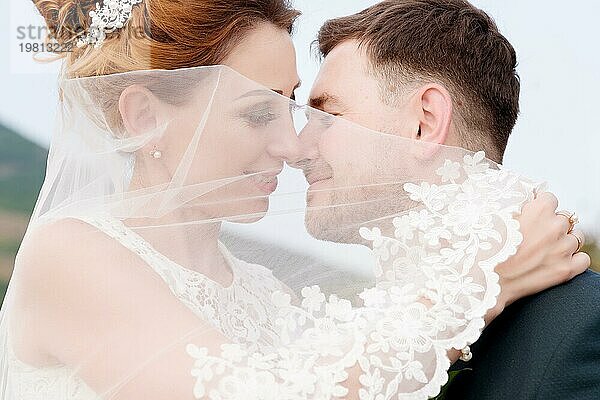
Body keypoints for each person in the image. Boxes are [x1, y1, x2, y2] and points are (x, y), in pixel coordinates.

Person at [0, 1, 590, 399]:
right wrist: (480, 282)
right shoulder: (72, 254)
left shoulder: (267, 293)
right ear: (145, 117)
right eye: (259, 113)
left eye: (295, 108)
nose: (290, 144)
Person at [296, 0, 599, 398]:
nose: (298, 148)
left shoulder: (583, 323)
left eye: (327, 116)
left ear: (426, 122)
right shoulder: (363, 332)